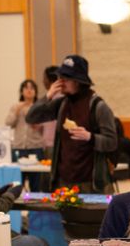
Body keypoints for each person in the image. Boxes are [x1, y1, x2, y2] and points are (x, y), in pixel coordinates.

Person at [25, 54, 118, 193]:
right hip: (63, 182)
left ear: (78, 81)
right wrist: (47, 96)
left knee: (90, 216)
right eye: (60, 78)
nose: (61, 82)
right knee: (66, 216)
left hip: (90, 183)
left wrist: (90, 137)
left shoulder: (98, 106)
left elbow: (112, 142)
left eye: (66, 78)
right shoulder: (62, 103)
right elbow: (31, 117)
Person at [6, 79, 45, 159]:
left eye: (32, 88)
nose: (29, 90)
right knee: (19, 171)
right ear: (21, 91)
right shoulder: (15, 106)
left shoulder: (40, 107)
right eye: (26, 88)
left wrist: (31, 115)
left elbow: (42, 125)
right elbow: (8, 123)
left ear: (35, 92)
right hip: (19, 146)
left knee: (37, 170)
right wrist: (16, 112)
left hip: (35, 147)